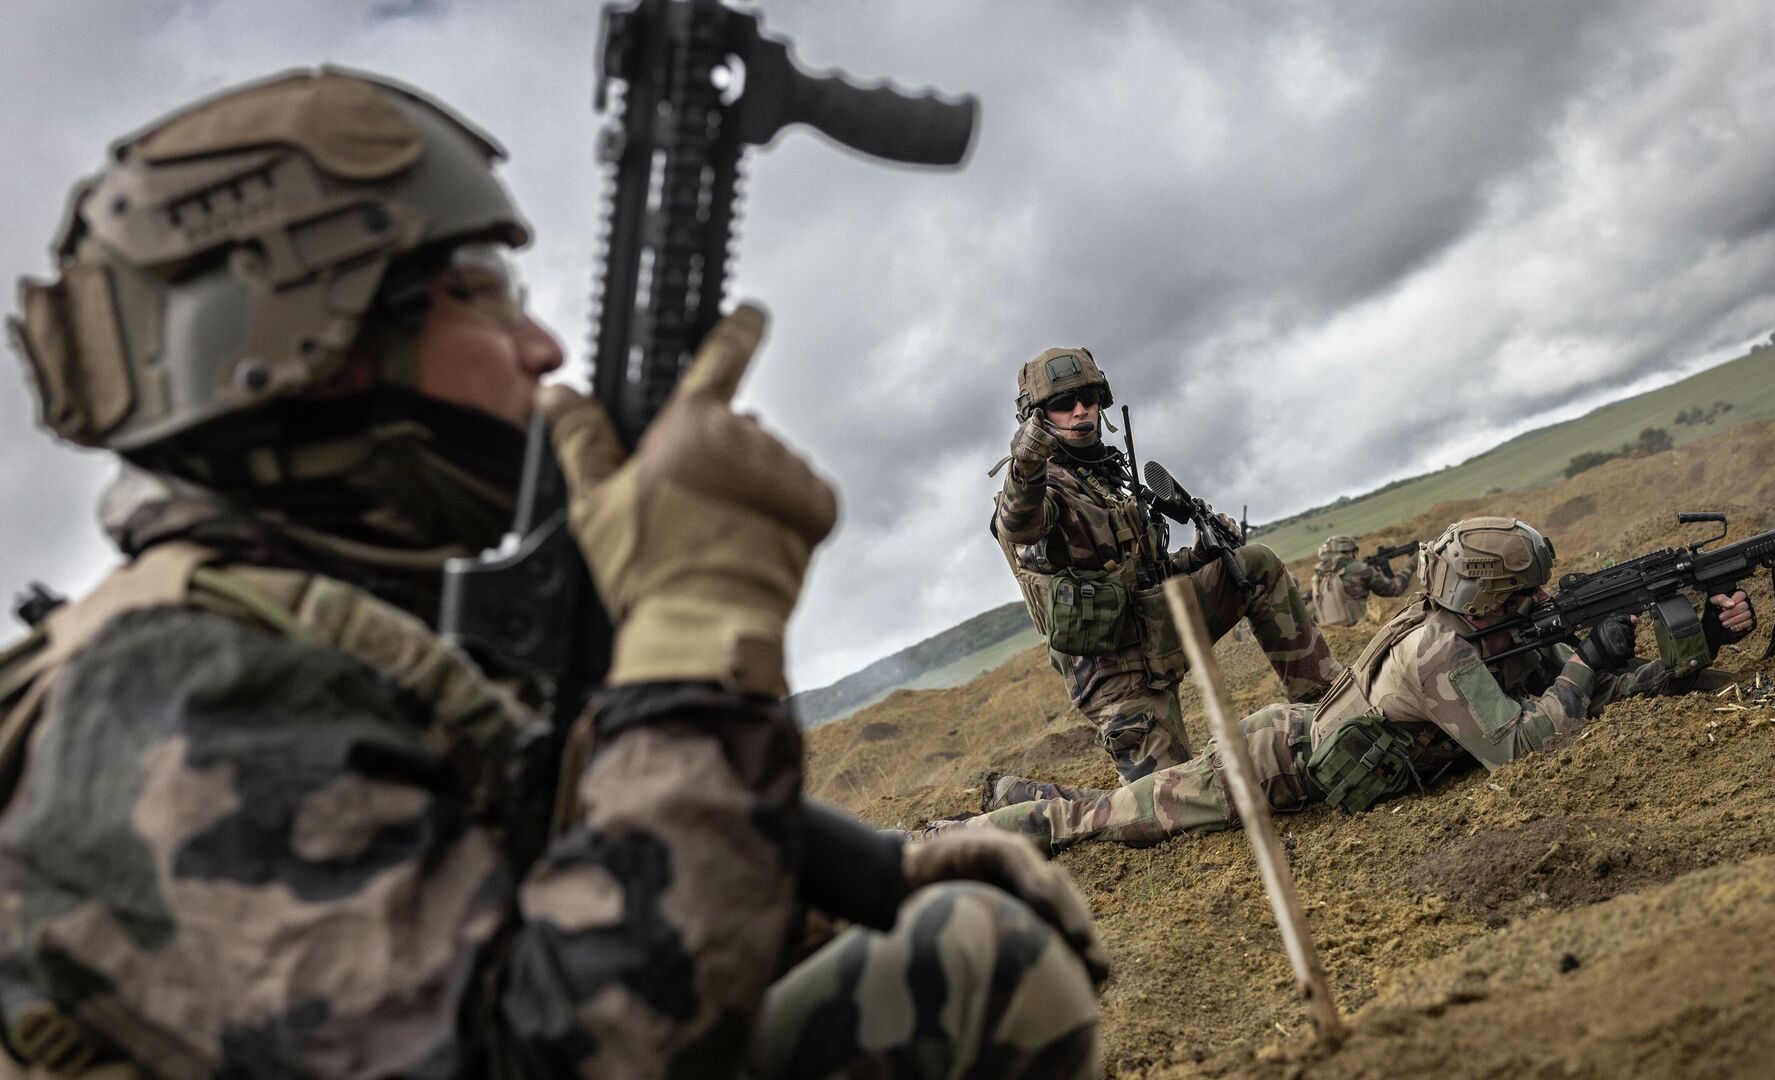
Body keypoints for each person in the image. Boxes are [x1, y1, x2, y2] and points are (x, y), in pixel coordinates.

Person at [0, 69, 1105, 1079]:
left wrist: (874, 877)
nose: (538, 347)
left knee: (942, 941)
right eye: (480, 293)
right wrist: (695, 631)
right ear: (309, 335)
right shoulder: (164, 694)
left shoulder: (334, 627)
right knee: (975, 965)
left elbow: (540, 874)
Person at [932, 516, 1755, 853]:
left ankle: (1018, 793)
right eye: (1527, 593)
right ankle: (950, 838)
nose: (1543, 602)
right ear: (1491, 596)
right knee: (1101, 821)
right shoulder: (1440, 654)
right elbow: (1521, 744)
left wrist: (1689, 647)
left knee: (1125, 802)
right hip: (1266, 762)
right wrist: (1588, 661)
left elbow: (1579, 699)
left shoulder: (1482, 634)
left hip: (1303, 730)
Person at [987, 347, 1343, 806]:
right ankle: (1024, 799)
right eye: (1062, 403)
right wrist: (1025, 465)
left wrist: (1198, 555)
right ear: (1037, 417)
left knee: (1256, 564)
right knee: (1178, 806)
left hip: (1160, 633)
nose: (1080, 410)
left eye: (1088, 398)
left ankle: (1331, 712)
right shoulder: (1044, 486)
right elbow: (1020, 523)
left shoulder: (1109, 478)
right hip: (1117, 673)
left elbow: (1149, 574)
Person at [1307, 534, 1415, 627]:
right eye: (1352, 552)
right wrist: (1410, 565)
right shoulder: (1360, 569)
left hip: (1335, 641)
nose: (1354, 556)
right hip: (1362, 634)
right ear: (1345, 551)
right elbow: (1393, 589)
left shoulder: (1317, 579)